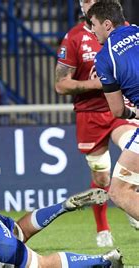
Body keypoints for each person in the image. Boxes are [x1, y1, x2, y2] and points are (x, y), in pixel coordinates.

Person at [54, 0, 139, 247]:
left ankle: (128, 198)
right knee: (103, 180)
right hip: (90, 115)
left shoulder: (107, 51)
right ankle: (103, 228)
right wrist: (99, 83)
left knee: (122, 178)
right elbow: (60, 85)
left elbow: (118, 110)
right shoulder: (73, 38)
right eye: (83, 0)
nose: (87, 4)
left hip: (120, 113)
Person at [88, 2, 139, 221]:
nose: (92, 30)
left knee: (119, 191)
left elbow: (117, 110)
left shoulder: (103, 57)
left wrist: (133, 114)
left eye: (93, 24)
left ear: (107, 24)